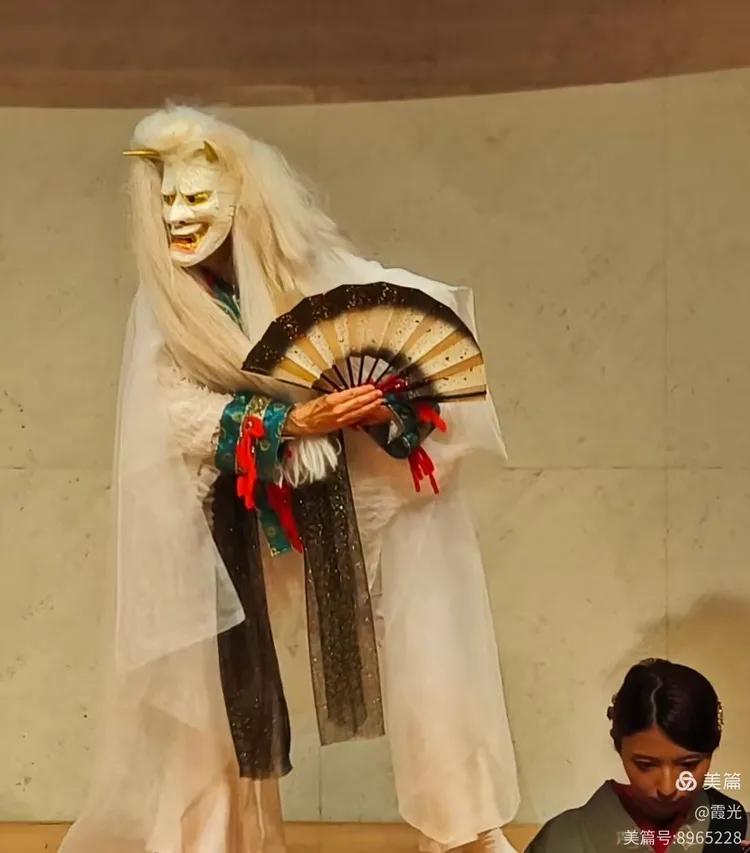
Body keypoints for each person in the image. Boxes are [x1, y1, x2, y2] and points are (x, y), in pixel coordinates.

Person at [58, 106, 519, 853]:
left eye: (197, 198)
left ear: (239, 198)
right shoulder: (168, 304)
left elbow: (401, 322)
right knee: (208, 680)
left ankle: (464, 822)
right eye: (168, 200)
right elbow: (172, 410)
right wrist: (291, 422)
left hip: (344, 482)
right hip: (236, 499)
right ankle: (215, 836)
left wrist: (388, 400)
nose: (179, 217)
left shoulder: (306, 274)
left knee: (429, 623)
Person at [527, 658, 747, 852]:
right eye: (646, 765)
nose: (667, 788)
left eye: (688, 765)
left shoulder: (737, 830)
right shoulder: (560, 841)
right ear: (619, 746)